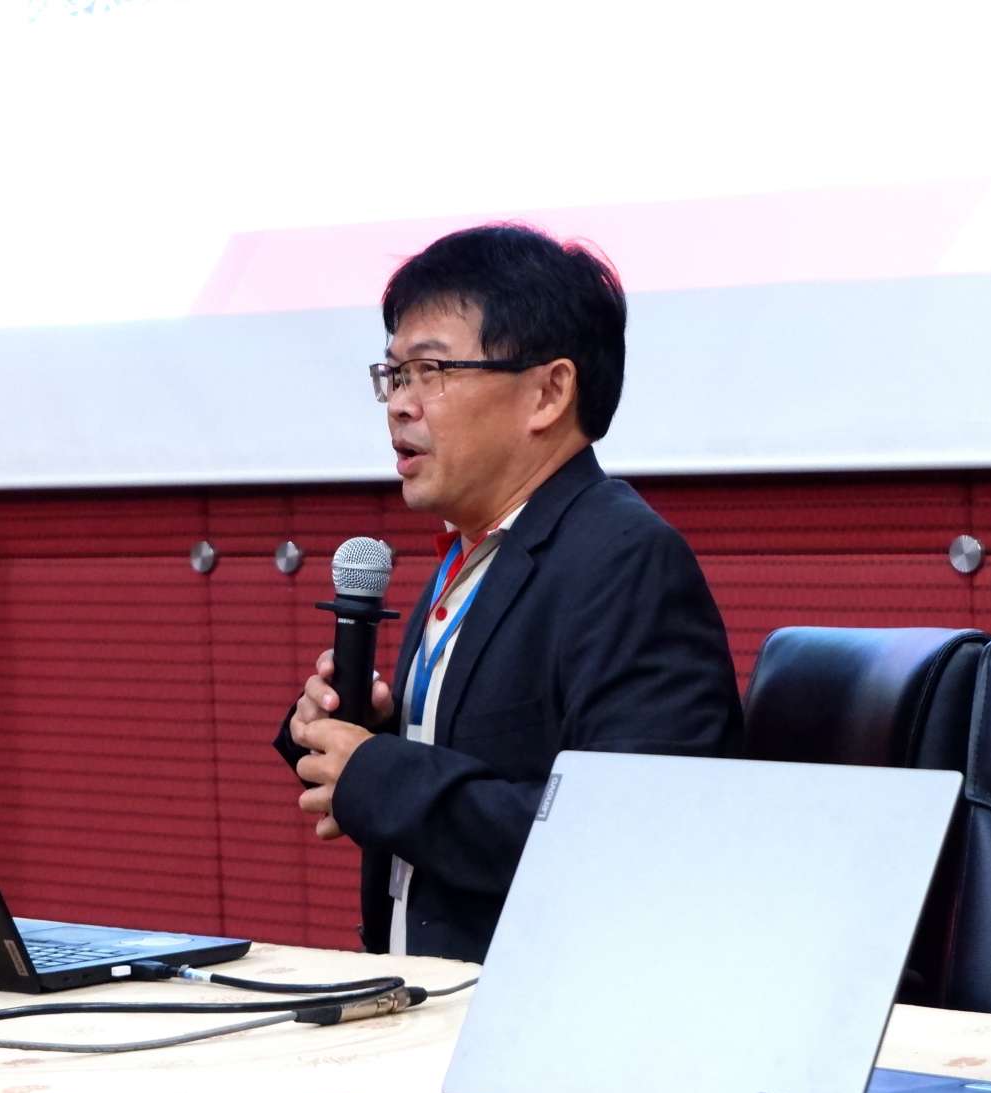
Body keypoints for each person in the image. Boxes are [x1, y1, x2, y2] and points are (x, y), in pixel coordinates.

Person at [276, 223, 742, 963]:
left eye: (431, 370)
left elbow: (631, 839)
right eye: (393, 374)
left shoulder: (624, 560)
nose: (399, 404)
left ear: (549, 392)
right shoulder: (474, 555)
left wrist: (383, 776)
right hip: (428, 997)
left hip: (542, 1015)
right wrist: (364, 738)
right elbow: (494, 770)